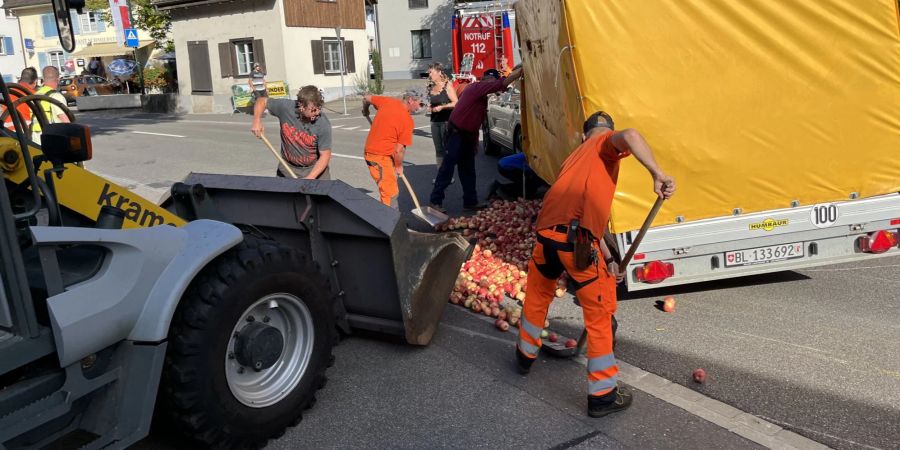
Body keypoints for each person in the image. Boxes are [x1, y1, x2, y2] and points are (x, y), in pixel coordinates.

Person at [514, 111, 676, 418]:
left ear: (580, 135)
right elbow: (631, 135)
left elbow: (589, 220)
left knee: (537, 296)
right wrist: (657, 173)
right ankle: (602, 395)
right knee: (600, 314)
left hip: (547, 237)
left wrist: (611, 259)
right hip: (575, 244)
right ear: (601, 134)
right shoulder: (604, 143)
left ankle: (524, 356)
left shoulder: (574, 158)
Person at [429, 66, 523, 212]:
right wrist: (518, 73)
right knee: (447, 168)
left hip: (466, 135)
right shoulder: (477, 87)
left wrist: (474, 143)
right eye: (491, 80)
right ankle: (435, 201)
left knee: (468, 170)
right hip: (456, 133)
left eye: (494, 81)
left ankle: (470, 201)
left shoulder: (483, 94)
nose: (493, 84)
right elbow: (501, 84)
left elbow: (476, 120)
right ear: (485, 79)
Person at [251, 85, 332, 179]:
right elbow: (262, 101)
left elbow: (325, 156)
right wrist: (257, 120)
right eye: (313, 110)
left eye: (319, 108)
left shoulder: (323, 123)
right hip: (288, 168)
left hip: (315, 170)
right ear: (301, 106)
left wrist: (310, 178)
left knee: (323, 192)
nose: (317, 112)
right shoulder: (286, 107)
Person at [361, 90, 424, 207]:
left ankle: (392, 220)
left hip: (376, 153)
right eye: (420, 104)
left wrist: (365, 109)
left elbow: (366, 98)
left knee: (389, 188)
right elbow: (399, 150)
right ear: (410, 100)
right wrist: (399, 166)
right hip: (378, 157)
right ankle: (390, 223)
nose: (421, 108)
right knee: (390, 193)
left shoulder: (387, 101)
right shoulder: (407, 120)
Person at [426, 63, 458, 179]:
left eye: (431, 72)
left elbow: (456, 103)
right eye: (429, 72)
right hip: (434, 121)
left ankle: (449, 175)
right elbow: (429, 102)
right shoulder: (430, 87)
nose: (429, 75)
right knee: (438, 149)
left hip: (446, 121)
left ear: (439, 72)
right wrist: (429, 107)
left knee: (447, 149)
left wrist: (442, 107)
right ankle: (441, 176)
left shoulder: (447, 86)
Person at [32, 66, 70, 143]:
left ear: (43, 79)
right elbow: (65, 120)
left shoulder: (36, 95)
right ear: (58, 79)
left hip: (35, 138)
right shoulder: (56, 96)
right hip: (52, 138)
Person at [2, 67, 37, 133]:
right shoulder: (33, 95)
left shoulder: (10, 92)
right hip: (26, 132)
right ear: (35, 82)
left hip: (7, 131)